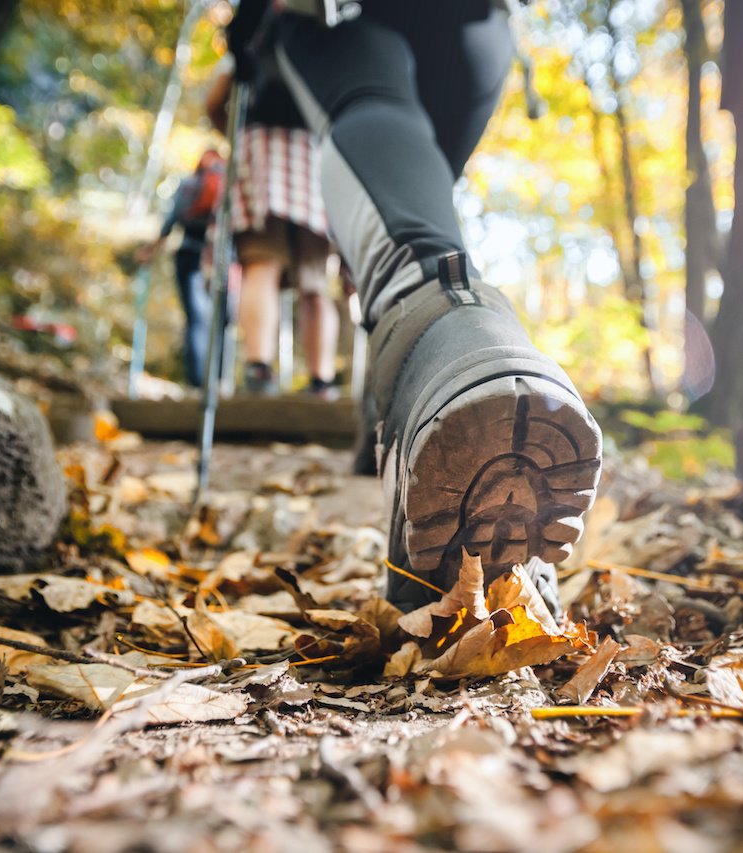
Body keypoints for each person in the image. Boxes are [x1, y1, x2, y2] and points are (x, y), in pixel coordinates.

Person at [240, 0, 604, 615]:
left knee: (373, 109)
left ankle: (445, 335)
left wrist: (246, 33)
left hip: (340, 19)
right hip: (476, 34)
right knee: (411, 184)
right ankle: (403, 400)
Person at [208, 7, 340, 398]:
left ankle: (258, 368)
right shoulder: (326, 36)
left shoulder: (254, 31)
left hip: (260, 150)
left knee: (262, 263)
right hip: (315, 157)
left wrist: (237, 134)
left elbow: (215, 101)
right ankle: (322, 380)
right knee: (315, 279)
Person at [136, 149, 223, 388]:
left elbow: (170, 221)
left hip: (190, 254)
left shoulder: (189, 183)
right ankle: (219, 381)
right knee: (220, 320)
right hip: (223, 259)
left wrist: (149, 250)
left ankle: (197, 383)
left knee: (196, 319)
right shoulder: (230, 182)